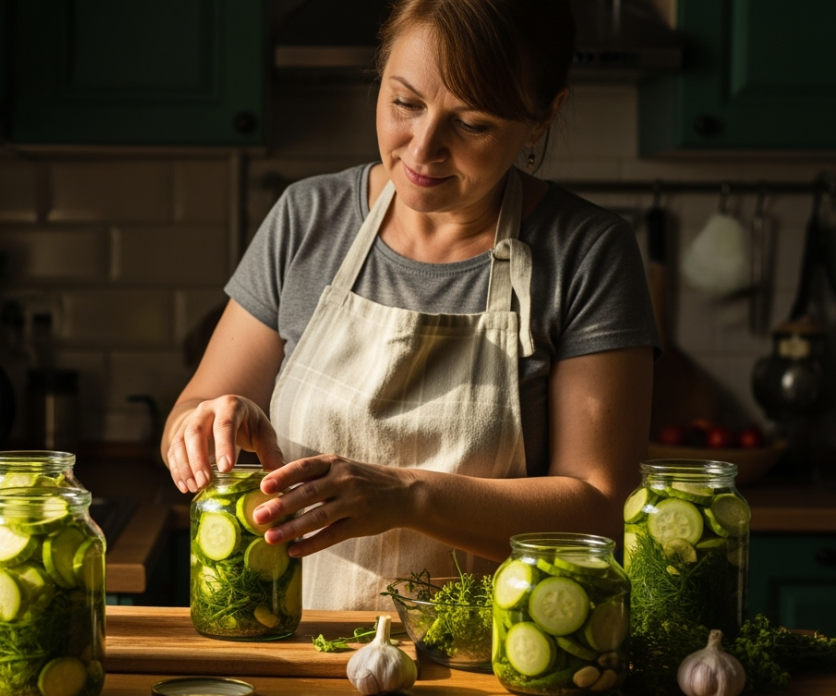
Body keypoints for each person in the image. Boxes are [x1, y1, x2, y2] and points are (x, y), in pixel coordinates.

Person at [160, 0, 661, 611]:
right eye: (405, 104)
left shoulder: (586, 252)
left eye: (472, 124)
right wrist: (205, 424)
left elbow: (603, 509)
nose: (423, 150)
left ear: (540, 119)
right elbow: (190, 409)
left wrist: (405, 496)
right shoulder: (307, 218)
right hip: (296, 651)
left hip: (486, 661)